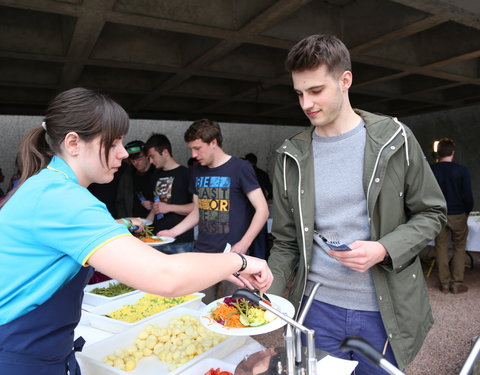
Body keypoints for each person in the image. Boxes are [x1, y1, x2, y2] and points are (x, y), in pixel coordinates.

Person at [0, 87, 273, 375]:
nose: (123, 153)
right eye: (114, 142)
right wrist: (240, 261)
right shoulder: (62, 198)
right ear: (73, 143)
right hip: (19, 356)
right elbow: (164, 275)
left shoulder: (48, 186)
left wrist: (216, 266)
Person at [267, 34, 446, 374]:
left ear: (345, 80)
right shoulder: (290, 155)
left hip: (383, 309)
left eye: (316, 91)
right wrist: (268, 296)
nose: (306, 104)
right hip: (315, 306)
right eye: (299, 93)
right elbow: (286, 242)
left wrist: (384, 248)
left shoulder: (395, 138)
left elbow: (432, 212)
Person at [158, 119, 269, 303]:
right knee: (199, 308)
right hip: (203, 254)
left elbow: (263, 210)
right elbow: (198, 210)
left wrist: (244, 243)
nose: (193, 155)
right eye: (191, 149)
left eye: (197, 148)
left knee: (233, 310)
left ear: (214, 143)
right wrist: (173, 232)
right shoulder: (197, 172)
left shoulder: (241, 168)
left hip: (234, 255)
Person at [431, 137, 474, 294]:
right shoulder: (461, 170)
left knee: (441, 248)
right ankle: (456, 284)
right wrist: (467, 211)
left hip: (438, 215)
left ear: (439, 153)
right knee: (459, 248)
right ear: (453, 152)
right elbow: (468, 197)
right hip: (458, 214)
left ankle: (444, 284)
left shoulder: (431, 170)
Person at [143, 133, 195, 254]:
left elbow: (197, 208)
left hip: (181, 241)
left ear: (165, 152)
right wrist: (144, 227)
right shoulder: (155, 175)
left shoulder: (187, 174)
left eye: (152, 156)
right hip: (157, 239)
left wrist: (169, 208)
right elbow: (156, 207)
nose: (151, 161)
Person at [116, 140, 156, 219]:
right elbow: (120, 202)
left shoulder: (158, 172)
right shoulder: (127, 176)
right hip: (134, 224)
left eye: (139, 158)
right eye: (132, 160)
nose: (136, 162)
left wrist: (155, 205)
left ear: (147, 155)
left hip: (157, 223)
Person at [244, 152, 272, 260]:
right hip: (261, 208)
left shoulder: (243, 173)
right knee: (260, 239)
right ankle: (260, 260)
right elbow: (271, 190)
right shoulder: (262, 173)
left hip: (246, 209)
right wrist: (266, 200)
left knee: (246, 236)